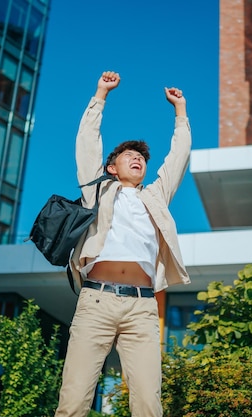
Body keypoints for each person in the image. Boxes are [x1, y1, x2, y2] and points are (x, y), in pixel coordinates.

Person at [53, 71, 192, 417]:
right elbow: (88, 142)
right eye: (130, 155)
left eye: (142, 157)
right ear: (111, 168)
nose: (138, 158)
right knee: (74, 399)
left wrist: (180, 112)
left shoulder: (156, 196)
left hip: (144, 309)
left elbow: (178, 158)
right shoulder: (98, 191)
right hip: (97, 301)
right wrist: (101, 94)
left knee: (148, 403)